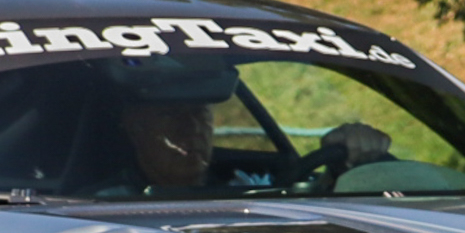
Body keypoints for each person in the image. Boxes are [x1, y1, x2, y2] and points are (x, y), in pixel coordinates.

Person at [110, 58, 391, 192]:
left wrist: (339, 173)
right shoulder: (106, 203)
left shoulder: (245, 183)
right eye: (171, 116)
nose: (192, 127)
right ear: (136, 128)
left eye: (201, 113)